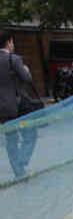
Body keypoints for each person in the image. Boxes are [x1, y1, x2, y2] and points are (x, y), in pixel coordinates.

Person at [0, 31, 38, 179]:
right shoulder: (13, 59)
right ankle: (22, 162)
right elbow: (27, 79)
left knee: (11, 139)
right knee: (30, 133)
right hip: (17, 106)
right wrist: (27, 70)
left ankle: (19, 172)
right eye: (12, 42)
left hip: (2, 109)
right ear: (9, 42)